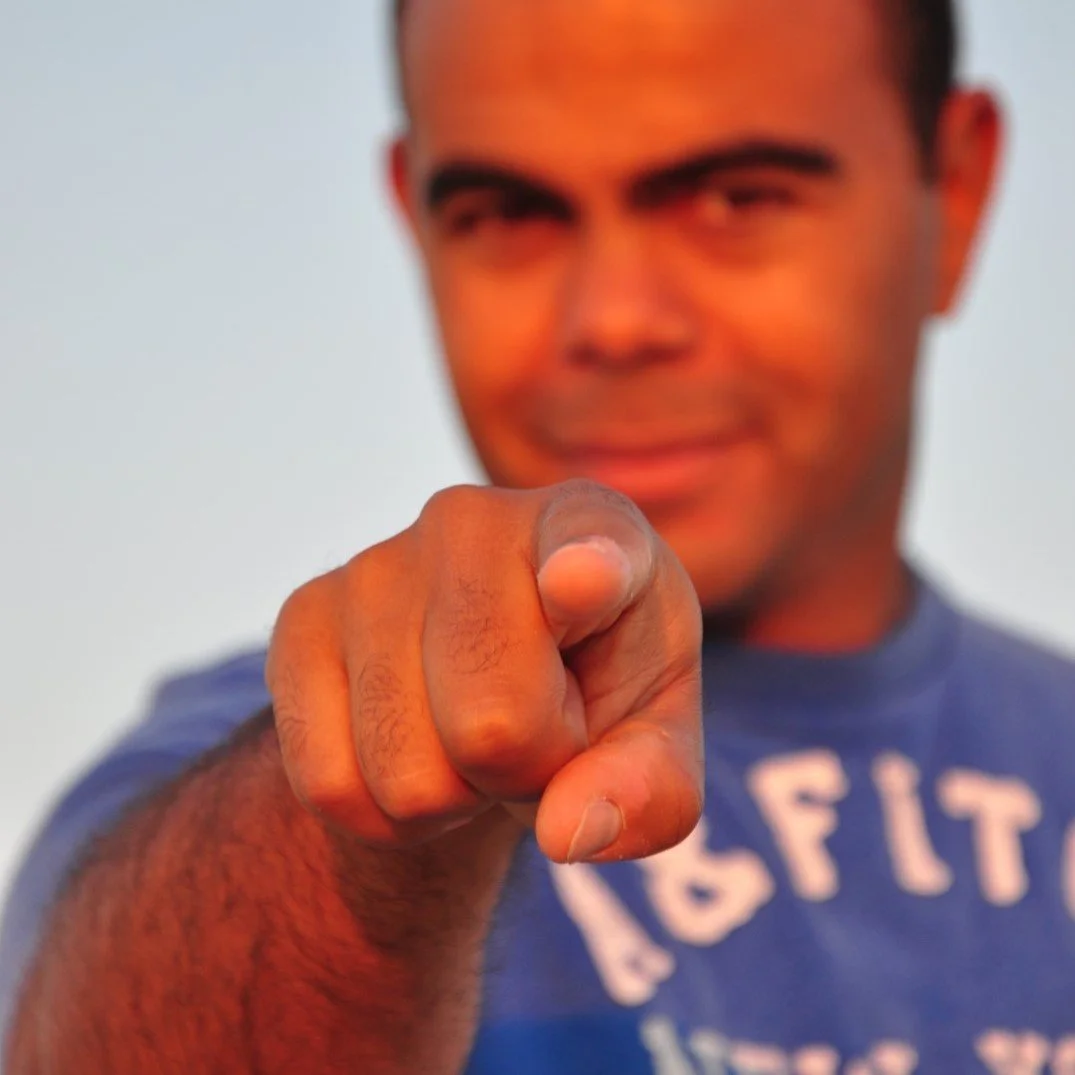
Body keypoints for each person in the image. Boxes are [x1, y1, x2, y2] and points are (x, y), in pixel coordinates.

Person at [4, 0, 1073, 1071]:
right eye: (508, 215)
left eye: (736, 198)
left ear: (956, 191)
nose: (611, 320)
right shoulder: (271, 768)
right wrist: (370, 827)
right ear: (414, 221)